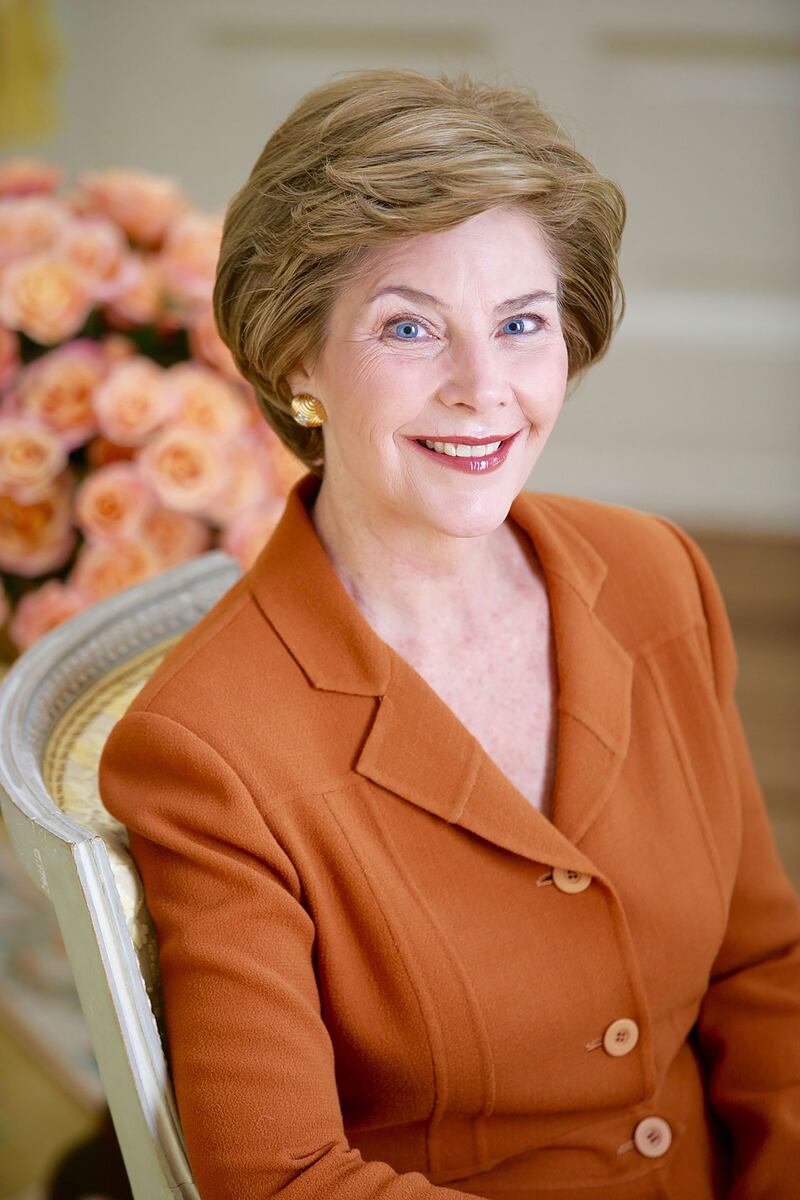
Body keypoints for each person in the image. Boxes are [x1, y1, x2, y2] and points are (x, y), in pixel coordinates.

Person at [98, 67, 800, 1198]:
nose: (484, 388)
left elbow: (763, 972)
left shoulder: (653, 575)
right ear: (297, 360)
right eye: (410, 327)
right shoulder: (206, 749)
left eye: (520, 323)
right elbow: (282, 1181)